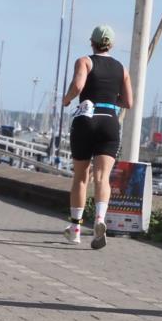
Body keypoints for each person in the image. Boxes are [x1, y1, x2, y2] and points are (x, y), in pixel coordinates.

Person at [61, 24, 134, 249]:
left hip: (86, 119)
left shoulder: (84, 61)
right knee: (103, 178)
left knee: (81, 178)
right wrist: (111, 101)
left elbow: (78, 85)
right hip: (109, 121)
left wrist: (67, 99)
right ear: (111, 45)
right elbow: (129, 102)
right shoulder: (121, 69)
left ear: (91, 42)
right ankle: (100, 220)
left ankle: (74, 229)